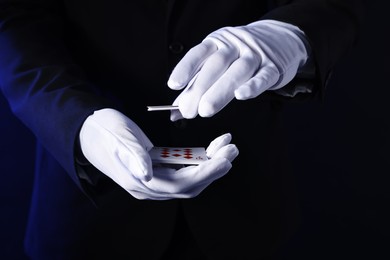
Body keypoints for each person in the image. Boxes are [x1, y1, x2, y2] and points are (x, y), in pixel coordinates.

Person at [0, 1, 365, 259]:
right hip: (88, 220)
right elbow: (13, 18)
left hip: (244, 212)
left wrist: (292, 33)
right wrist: (78, 124)